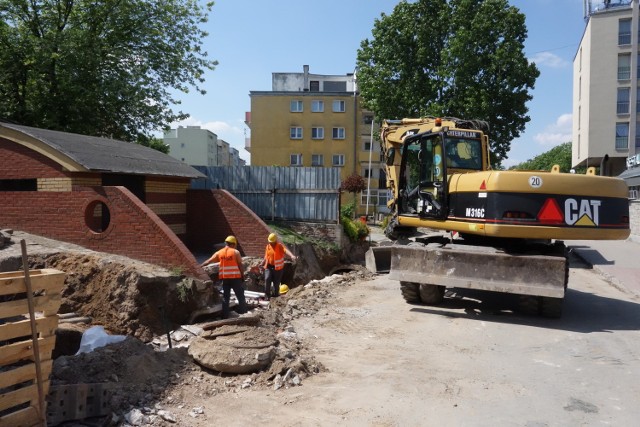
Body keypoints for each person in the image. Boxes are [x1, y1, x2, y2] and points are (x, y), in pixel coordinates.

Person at [200, 235, 247, 318]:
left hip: (225, 278)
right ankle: (243, 311)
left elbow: (209, 261)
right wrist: (242, 276)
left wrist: (199, 266)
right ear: (233, 244)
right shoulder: (235, 252)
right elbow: (240, 265)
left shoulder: (219, 252)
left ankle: (225, 315)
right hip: (235, 277)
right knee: (240, 295)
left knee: (226, 297)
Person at [262, 233, 297, 299]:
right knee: (267, 279)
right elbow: (266, 256)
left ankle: (275, 296)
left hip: (278, 268)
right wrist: (262, 263)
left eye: (272, 242)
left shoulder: (279, 246)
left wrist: (291, 255)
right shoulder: (268, 246)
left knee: (276, 283)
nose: (271, 243)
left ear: (275, 241)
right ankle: (267, 296)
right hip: (269, 266)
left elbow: (285, 250)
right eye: (270, 241)